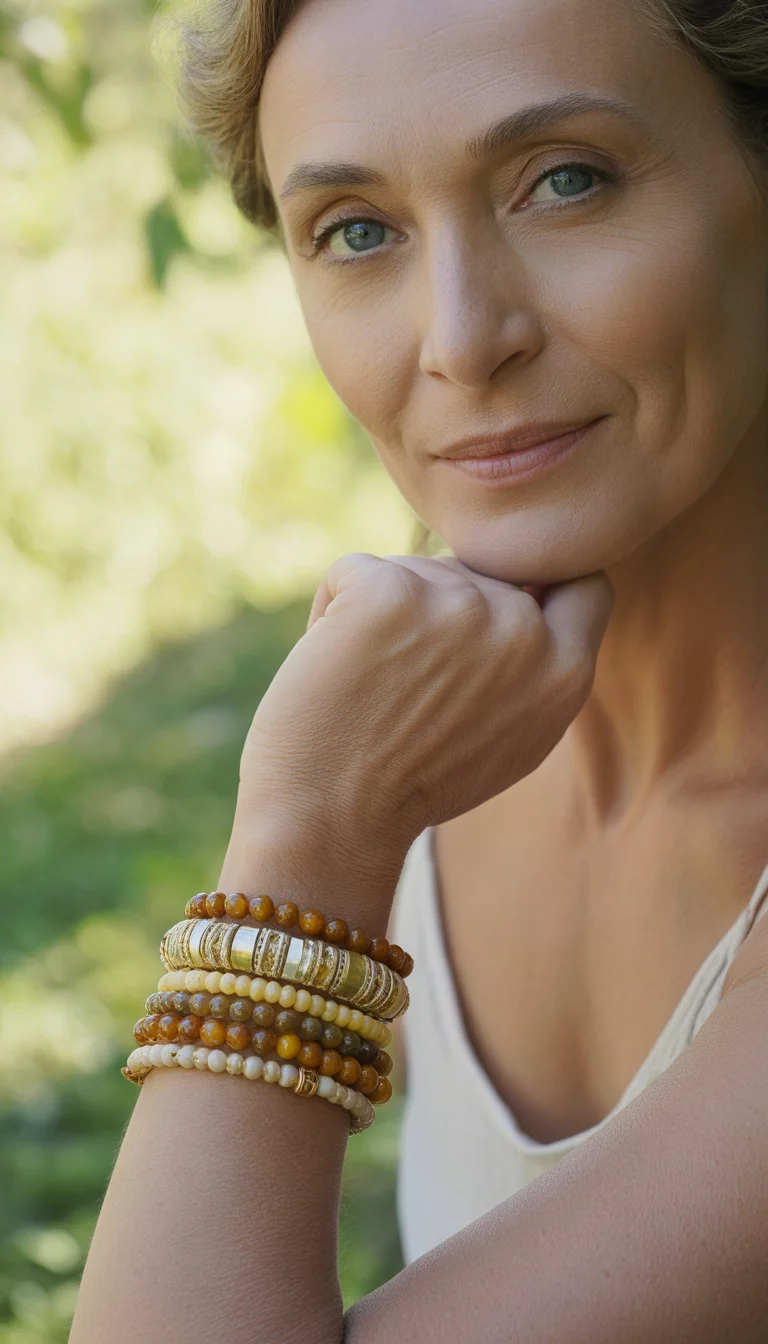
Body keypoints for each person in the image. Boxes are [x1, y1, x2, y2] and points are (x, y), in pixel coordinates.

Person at [71, 0, 768, 1338]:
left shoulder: (366, 775)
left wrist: (312, 838)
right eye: (357, 230)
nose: (460, 337)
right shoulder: (435, 720)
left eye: (565, 180)